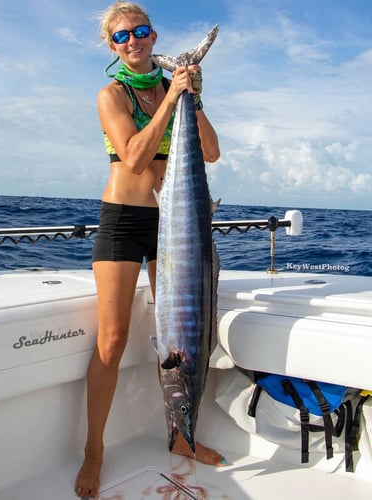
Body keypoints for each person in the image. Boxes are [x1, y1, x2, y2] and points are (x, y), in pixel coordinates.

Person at [75, 2, 225, 498]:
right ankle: (93, 450)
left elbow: (211, 152)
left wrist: (193, 98)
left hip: (173, 223)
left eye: (140, 32)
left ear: (154, 35)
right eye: (121, 37)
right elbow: (136, 159)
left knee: (184, 335)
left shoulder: (176, 90)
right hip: (122, 221)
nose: (133, 41)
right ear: (112, 45)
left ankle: (181, 438)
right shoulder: (110, 94)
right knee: (113, 340)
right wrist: (171, 95)